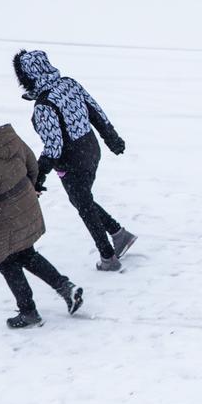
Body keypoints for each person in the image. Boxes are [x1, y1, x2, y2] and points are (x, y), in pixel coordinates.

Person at [0, 111, 85, 329]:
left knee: (7, 263)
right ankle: (66, 288)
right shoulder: (10, 138)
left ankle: (29, 312)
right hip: (25, 206)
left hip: (2, 221)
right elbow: (32, 165)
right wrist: (30, 188)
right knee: (27, 254)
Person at [13, 49, 136, 271]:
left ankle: (108, 256)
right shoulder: (69, 83)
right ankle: (120, 235)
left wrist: (37, 176)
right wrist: (112, 138)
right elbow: (95, 111)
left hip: (72, 161)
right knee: (83, 200)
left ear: (26, 77)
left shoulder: (44, 105)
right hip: (91, 150)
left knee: (84, 205)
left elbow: (54, 147)